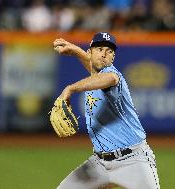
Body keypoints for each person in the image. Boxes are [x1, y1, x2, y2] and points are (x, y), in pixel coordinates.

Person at [53, 32, 160, 189]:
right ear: (90, 52)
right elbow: (93, 70)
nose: (104, 54)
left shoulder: (113, 76)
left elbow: (109, 78)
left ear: (113, 58)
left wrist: (71, 88)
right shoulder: (93, 77)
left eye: (109, 51)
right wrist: (76, 50)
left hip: (133, 160)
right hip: (100, 163)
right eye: (100, 49)